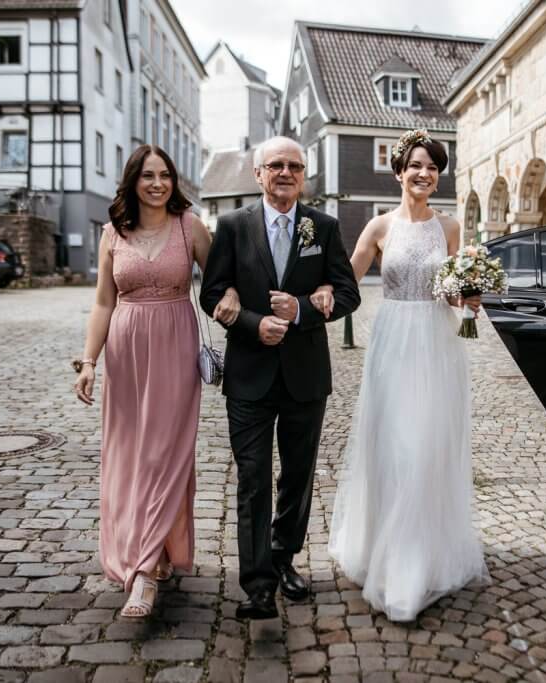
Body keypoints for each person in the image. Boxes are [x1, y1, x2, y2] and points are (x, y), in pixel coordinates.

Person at [323, 128, 490, 622]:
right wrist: (307, 301)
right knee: (395, 448)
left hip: (438, 346)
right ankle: (390, 557)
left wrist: (469, 298)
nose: (425, 174)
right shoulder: (378, 228)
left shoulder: (452, 228)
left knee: (427, 449)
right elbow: (343, 284)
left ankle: (419, 562)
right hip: (394, 342)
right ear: (399, 172)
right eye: (416, 165)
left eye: (433, 167)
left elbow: (457, 292)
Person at [73, 145, 240, 619]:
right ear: (133, 181)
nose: (157, 183)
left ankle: (143, 573)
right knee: (128, 456)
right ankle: (153, 556)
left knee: (165, 453)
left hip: (174, 345)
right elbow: (103, 303)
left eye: (164, 175)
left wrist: (228, 291)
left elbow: (220, 279)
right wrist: (89, 361)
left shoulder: (190, 227)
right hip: (127, 353)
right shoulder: (112, 234)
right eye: (147, 176)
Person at [199, 136, 360, 620]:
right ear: (259, 174)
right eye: (275, 165)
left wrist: (304, 310)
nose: (285, 172)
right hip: (248, 374)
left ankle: (284, 558)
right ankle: (258, 585)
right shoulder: (231, 226)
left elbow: (349, 294)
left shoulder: (323, 227)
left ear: (303, 174)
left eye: (294, 165)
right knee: (251, 479)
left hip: (305, 376)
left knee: (297, 477)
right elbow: (211, 294)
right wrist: (252, 323)